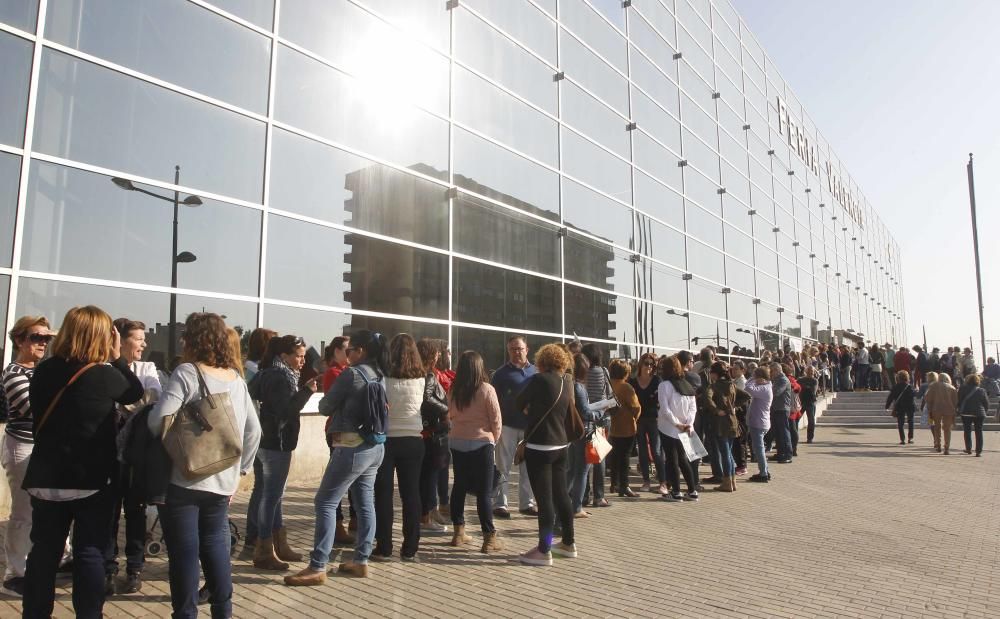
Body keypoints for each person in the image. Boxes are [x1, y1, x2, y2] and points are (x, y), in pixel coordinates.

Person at [22, 306, 144, 618]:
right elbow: (135, 391)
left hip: (46, 475)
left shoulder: (45, 370)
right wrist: (117, 357)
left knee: (43, 552)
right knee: (89, 551)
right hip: (91, 479)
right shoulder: (102, 375)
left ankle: (35, 613)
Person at [145, 312, 260, 617]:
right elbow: (255, 431)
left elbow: (157, 422)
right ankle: (223, 611)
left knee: (184, 554)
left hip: (185, 478)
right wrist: (241, 471)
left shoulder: (187, 372)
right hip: (223, 480)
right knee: (216, 548)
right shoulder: (236, 378)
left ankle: (185, 613)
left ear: (193, 339)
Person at [285, 330, 389, 585]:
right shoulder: (379, 375)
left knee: (325, 502)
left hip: (351, 446)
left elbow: (324, 407)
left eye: (351, 349)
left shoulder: (351, 374)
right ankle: (360, 560)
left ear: (361, 351)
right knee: (365, 503)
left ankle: (318, 566)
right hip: (374, 447)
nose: (347, 353)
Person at [247, 335, 318, 571]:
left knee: (273, 496)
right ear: (284, 356)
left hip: (266, 442)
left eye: (303, 355)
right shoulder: (279, 376)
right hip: (274, 443)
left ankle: (278, 544)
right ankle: (265, 549)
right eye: (298, 355)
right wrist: (307, 391)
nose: (302, 360)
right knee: (271, 497)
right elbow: (285, 410)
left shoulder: (268, 372)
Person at [104, 318, 162, 595]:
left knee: (136, 512)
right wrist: (135, 400)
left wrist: (125, 398)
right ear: (120, 340)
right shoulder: (103, 367)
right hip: (106, 454)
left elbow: (153, 398)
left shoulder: (147, 367)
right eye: (139, 339)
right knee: (109, 513)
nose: (144, 344)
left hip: (138, 455)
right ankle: (108, 569)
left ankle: (134, 568)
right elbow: (139, 399)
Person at [0, 316, 56, 597]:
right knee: (23, 512)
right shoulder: (13, 372)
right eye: (36, 337)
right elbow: (33, 409)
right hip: (22, 447)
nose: (43, 343)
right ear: (19, 340)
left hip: (43, 448)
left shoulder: (43, 371)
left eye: (47, 338)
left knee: (48, 506)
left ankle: (61, 558)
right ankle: (14, 574)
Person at [515, 344, 577, 566]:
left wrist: (531, 411)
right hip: (561, 446)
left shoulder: (539, 380)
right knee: (562, 495)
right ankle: (568, 543)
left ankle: (544, 548)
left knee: (544, 500)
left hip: (540, 446)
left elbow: (518, 402)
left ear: (541, 361)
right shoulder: (566, 382)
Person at [373, 334, 426, 561]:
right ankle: (410, 547)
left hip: (387, 440)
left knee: (383, 495)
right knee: (411, 494)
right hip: (414, 439)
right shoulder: (422, 379)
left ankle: (384, 547)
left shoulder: (383, 379)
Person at [446, 351, 503, 553]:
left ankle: (458, 531)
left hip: (458, 441)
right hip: (482, 443)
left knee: (459, 487)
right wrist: (493, 439)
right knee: (484, 492)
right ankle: (489, 537)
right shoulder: (487, 389)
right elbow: (496, 419)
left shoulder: (454, 390)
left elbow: (450, 414)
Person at [490, 336, 538, 518]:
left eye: (519, 348)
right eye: (512, 349)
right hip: (507, 426)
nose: (516, 352)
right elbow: (494, 401)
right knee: (503, 465)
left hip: (529, 428)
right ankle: (500, 504)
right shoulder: (501, 374)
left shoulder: (536, 372)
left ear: (527, 349)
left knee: (528, 467)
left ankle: (527, 503)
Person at [416, 338, 450, 533]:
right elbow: (427, 399)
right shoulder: (428, 375)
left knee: (427, 476)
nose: (439, 355)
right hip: (431, 433)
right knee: (428, 477)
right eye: (436, 352)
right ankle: (425, 518)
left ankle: (427, 514)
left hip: (427, 431)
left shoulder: (421, 374)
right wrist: (445, 409)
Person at [701, 361, 750, 492]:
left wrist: (717, 410)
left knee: (725, 453)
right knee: (729, 453)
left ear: (715, 374)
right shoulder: (732, 385)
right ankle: (732, 481)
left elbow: (707, 399)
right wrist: (733, 406)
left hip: (721, 423)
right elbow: (747, 396)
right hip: (733, 422)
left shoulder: (713, 386)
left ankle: (727, 482)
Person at [657, 355, 699, 502]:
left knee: (672, 460)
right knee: (683, 459)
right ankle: (692, 490)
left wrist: (677, 424)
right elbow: (693, 408)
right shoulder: (687, 385)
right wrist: (689, 424)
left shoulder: (664, 385)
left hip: (669, 428)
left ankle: (676, 492)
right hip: (684, 428)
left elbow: (665, 409)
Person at [566, 354, 603, 516]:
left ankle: (561, 501)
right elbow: (586, 412)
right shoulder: (579, 387)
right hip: (586, 431)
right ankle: (576, 507)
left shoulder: (570, 385)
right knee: (582, 471)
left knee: (573, 470)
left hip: (575, 433)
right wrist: (602, 411)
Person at [628, 352, 666, 494]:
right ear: (640, 364)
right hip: (639, 419)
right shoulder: (632, 381)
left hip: (654, 419)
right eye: (646, 363)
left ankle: (663, 482)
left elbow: (662, 400)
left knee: (656, 451)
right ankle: (646, 481)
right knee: (642, 451)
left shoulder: (657, 381)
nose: (649, 367)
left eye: (652, 364)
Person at [581, 343, 613, 506]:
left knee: (585, 458)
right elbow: (609, 394)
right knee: (599, 457)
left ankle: (583, 495)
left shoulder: (582, 373)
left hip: (585, 418)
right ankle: (599, 496)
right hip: (602, 417)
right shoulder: (604, 371)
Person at [607, 359, 641, 498]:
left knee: (614, 456)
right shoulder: (626, 387)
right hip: (626, 427)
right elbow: (635, 407)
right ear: (625, 373)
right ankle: (624, 486)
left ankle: (614, 483)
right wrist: (635, 417)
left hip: (612, 427)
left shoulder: (609, 385)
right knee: (625, 457)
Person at [745, 367, 774, 483]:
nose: (754, 380)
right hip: (760, 421)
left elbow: (748, 388)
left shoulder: (765, 389)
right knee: (759, 448)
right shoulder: (765, 387)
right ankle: (765, 471)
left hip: (759, 423)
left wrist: (752, 378)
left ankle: (763, 473)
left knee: (759, 449)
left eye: (756, 377)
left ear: (761, 378)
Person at [957, 374, 989, 456]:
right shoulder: (982, 390)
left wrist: (959, 409)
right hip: (979, 413)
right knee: (979, 432)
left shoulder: (962, 388)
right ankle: (978, 451)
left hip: (966, 413)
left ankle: (968, 449)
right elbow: (986, 403)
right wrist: (984, 411)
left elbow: (959, 400)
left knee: (967, 431)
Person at [924, 373, 957, 453]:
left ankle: (938, 445)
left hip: (936, 409)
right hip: (949, 409)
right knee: (947, 429)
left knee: (937, 427)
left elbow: (927, 398)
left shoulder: (933, 386)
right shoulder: (952, 387)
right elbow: (955, 401)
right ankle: (946, 447)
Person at [769, 362, 793, 463]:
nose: (771, 373)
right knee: (778, 433)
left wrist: (767, 390)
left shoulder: (783, 380)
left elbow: (776, 392)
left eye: (772, 371)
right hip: (776, 408)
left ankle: (787, 454)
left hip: (782, 409)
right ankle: (780, 452)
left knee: (784, 432)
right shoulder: (776, 380)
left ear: (777, 370)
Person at [885, 371, 916, 445]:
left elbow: (891, 397)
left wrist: (887, 406)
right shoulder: (909, 386)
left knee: (900, 423)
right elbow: (913, 395)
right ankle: (910, 438)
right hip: (909, 406)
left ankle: (902, 439)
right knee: (910, 421)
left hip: (899, 406)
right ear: (907, 377)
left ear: (898, 378)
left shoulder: (895, 387)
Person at [798, 366, 819, 444]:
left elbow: (813, 390)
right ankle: (794, 437)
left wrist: (803, 387)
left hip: (811, 402)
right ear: (806, 371)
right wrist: (806, 387)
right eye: (809, 370)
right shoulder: (800, 380)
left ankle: (810, 438)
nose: (811, 372)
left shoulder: (815, 380)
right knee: (796, 419)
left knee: (811, 421)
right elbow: (797, 388)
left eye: (812, 371)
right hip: (801, 402)